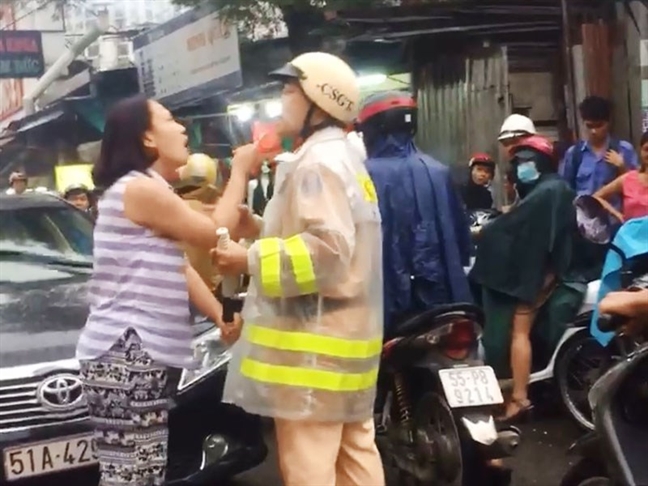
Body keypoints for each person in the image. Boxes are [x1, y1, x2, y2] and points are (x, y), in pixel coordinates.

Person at [213, 52, 385, 486]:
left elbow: (326, 251)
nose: (281, 100)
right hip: (343, 346)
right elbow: (328, 237)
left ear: (320, 104)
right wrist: (260, 226)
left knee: (308, 466)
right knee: (355, 457)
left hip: (312, 353)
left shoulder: (316, 164)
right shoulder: (340, 158)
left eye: (290, 91)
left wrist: (246, 258)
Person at [75, 94, 260, 486]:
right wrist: (240, 171)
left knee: (138, 469)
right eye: (170, 120)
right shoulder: (138, 189)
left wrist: (219, 316)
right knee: (135, 473)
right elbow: (216, 235)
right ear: (147, 139)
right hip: (126, 352)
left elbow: (178, 265)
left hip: (128, 353)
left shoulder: (146, 189)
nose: (181, 128)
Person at [470, 135, 585, 422]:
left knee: (517, 334)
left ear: (540, 162)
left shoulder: (548, 193)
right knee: (518, 334)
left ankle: (519, 398)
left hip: (541, 277)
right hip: (542, 273)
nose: (520, 168)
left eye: (524, 162)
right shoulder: (549, 190)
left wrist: (488, 234)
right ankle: (517, 395)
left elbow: (518, 232)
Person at [355, 90, 472, 332]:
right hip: (441, 301)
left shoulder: (362, 175)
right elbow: (462, 240)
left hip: (383, 306)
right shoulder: (439, 172)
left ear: (373, 129)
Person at [559, 96, 638, 203]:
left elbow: (638, 188)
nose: (594, 131)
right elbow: (565, 188)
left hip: (615, 216)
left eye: (599, 125)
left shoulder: (624, 149)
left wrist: (622, 167)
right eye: (589, 126)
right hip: (583, 215)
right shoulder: (574, 153)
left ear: (608, 123)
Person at [593, 131, 648, 222]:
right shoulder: (629, 178)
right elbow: (596, 197)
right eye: (647, 149)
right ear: (640, 151)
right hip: (630, 234)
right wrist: (617, 214)